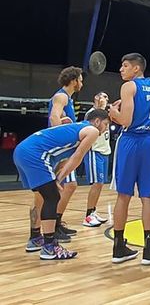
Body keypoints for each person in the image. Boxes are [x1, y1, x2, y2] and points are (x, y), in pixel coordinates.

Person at [15, 109, 110, 259]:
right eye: (105, 124)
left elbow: (66, 158)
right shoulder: (92, 131)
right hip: (35, 154)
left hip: (22, 150)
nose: (105, 129)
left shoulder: (77, 128)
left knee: (41, 197)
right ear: (97, 121)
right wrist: (58, 179)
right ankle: (49, 247)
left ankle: (35, 238)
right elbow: (77, 158)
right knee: (52, 197)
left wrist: (57, 176)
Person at [109, 53, 150, 265]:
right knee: (148, 196)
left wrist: (112, 112)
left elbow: (125, 120)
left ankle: (118, 247)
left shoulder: (129, 87)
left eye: (124, 65)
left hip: (130, 141)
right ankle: (149, 248)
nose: (121, 69)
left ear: (137, 69)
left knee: (123, 195)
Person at [27, 66, 84, 250]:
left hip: (56, 152)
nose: (82, 83)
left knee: (65, 187)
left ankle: (52, 226)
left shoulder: (67, 98)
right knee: (44, 196)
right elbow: (53, 117)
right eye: (81, 79)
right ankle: (39, 234)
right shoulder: (62, 96)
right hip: (52, 152)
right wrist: (59, 134)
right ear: (74, 80)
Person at [82, 91, 111, 227]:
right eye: (103, 96)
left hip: (105, 151)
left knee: (100, 184)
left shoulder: (105, 114)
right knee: (96, 183)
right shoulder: (91, 113)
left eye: (107, 97)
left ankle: (93, 211)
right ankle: (88, 216)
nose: (106, 99)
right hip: (94, 151)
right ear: (96, 97)